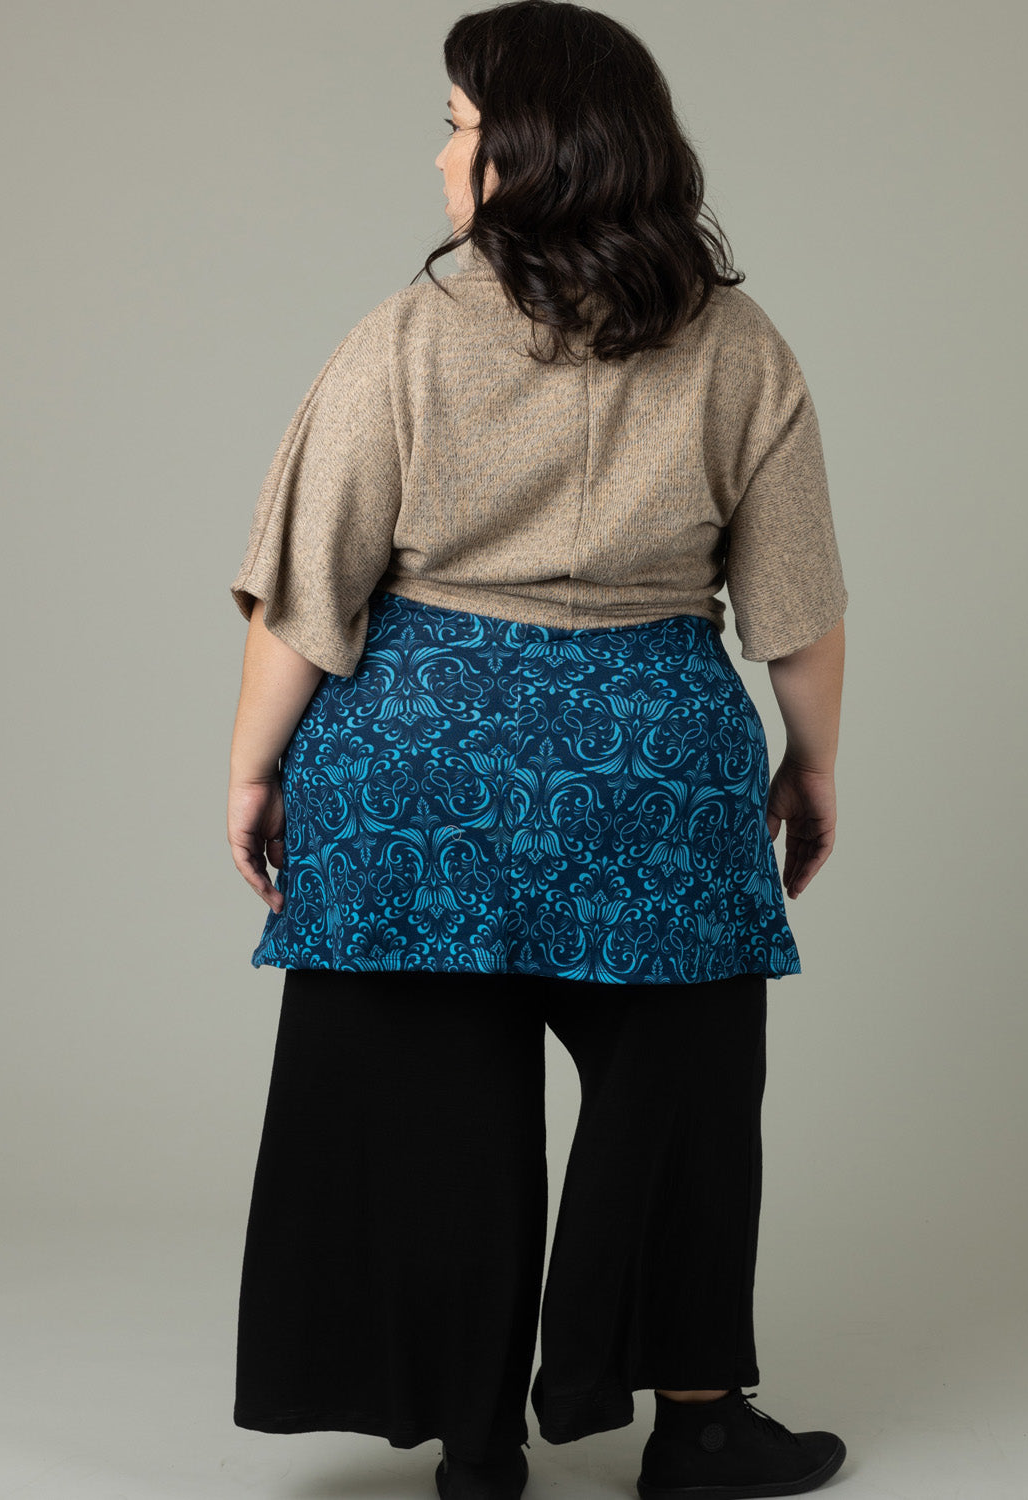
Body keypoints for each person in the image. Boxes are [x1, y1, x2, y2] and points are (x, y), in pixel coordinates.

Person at [225, 4, 850, 1498]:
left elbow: (311, 588)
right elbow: (797, 602)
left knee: (429, 1108)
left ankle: (475, 1443)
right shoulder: (740, 347)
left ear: (524, 152)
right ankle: (697, 1425)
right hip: (654, 771)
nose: (442, 156)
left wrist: (251, 769)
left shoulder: (403, 338)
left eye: (456, 126)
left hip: (420, 773)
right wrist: (813, 764)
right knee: (680, 1101)